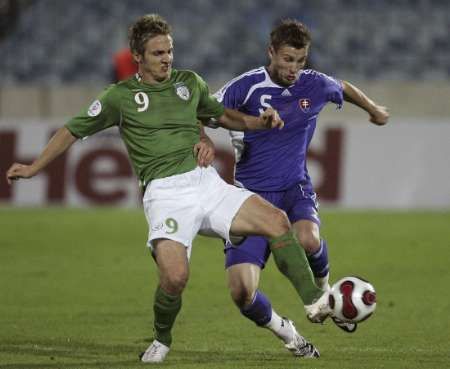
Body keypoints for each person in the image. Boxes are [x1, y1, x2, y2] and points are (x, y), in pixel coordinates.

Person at [6, 14, 330, 363]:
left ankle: (317, 300)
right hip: (165, 194)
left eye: (170, 51)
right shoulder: (120, 97)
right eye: (158, 53)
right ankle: (162, 338)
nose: (167, 59)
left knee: (277, 221)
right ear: (138, 57)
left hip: (206, 182)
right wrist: (34, 167)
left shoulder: (189, 83)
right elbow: (71, 130)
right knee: (175, 278)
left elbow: (222, 117)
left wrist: (258, 121)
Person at [211, 18, 389, 349]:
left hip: (295, 187)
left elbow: (343, 87)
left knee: (308, 239)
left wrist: (373, 108)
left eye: (300, 60)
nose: (293, 68)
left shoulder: (315, 84)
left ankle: (325, 293)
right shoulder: (246, 86)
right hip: (249, 199)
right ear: (271, 53)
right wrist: (200, 139)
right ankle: (290, 335)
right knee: (241, 292)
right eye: (287, 59)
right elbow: (202, 108)